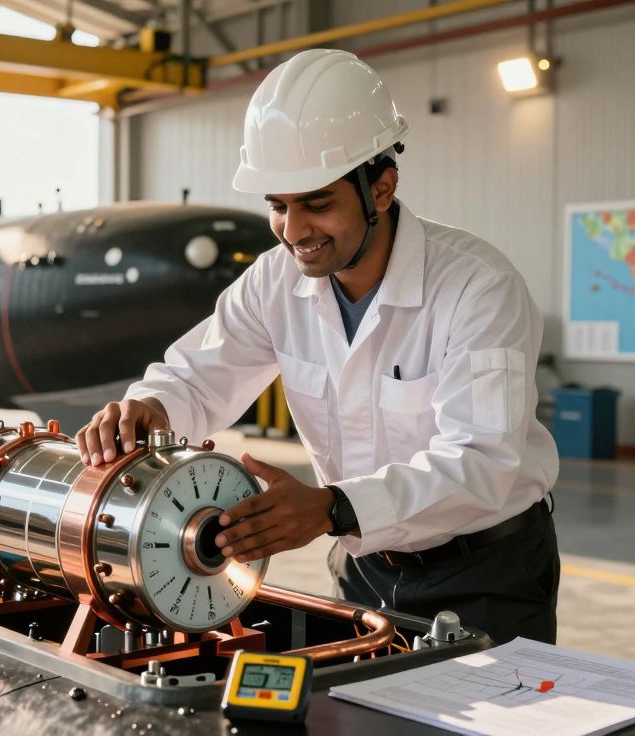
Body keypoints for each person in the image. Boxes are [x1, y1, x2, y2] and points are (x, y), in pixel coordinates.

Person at [75, 49, 561, 644]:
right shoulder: (273, 281)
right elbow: (199, 376)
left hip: (488, 575)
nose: (295, 230)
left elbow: (483, 459)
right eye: (278, 206)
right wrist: (150, 406)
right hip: (363, 569)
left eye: (318, 203)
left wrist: (331, 509)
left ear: (381, 188)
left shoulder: (478, 288)